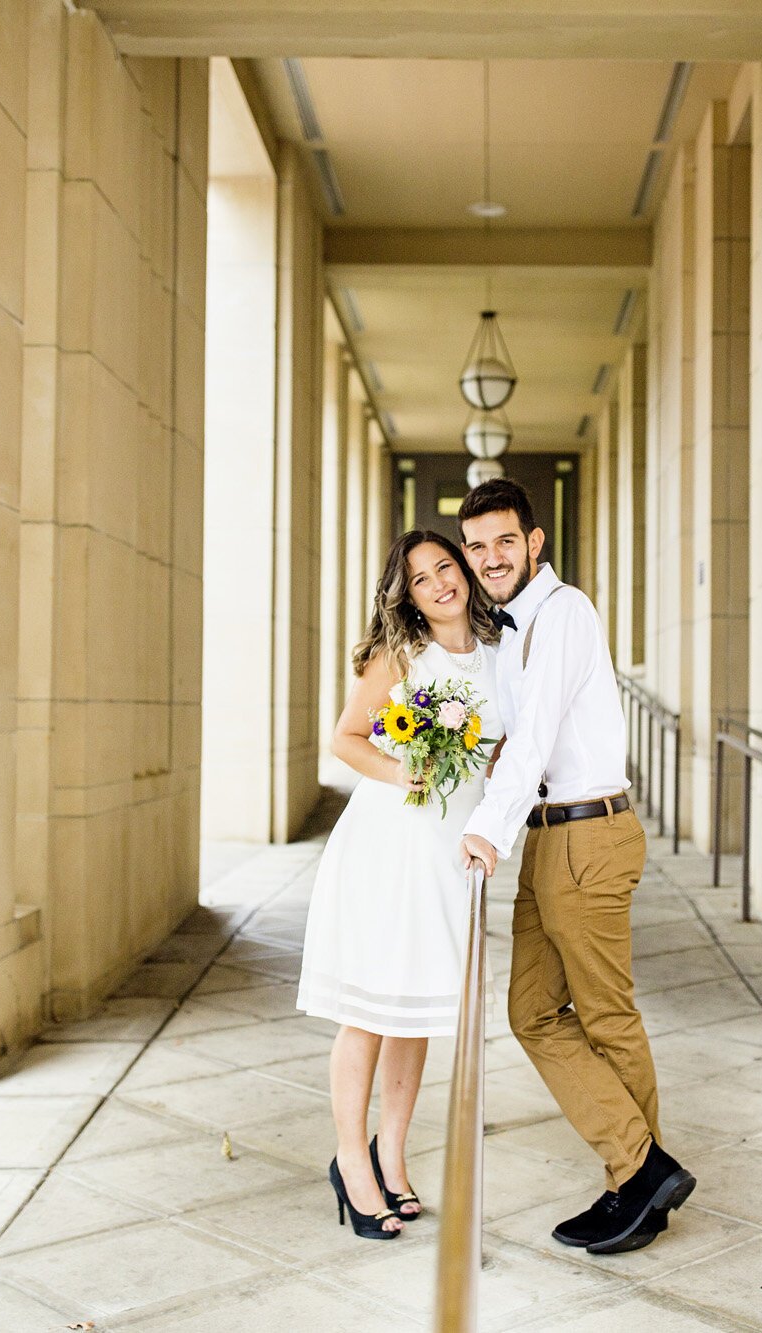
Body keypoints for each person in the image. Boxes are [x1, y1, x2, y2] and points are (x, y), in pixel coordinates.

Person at [457, 478, 696, 1256]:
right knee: (531, 1011)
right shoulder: (516, 628)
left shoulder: (564, 613)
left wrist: (486, 829)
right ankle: (645, 1168)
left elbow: (533, 740)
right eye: (477, 544)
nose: (490, 557)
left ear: (535, 542)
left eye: (503, 541)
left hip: (587, 836)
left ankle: (636, 1182)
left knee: (605, 1017)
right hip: (550, 836)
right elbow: (506, 733)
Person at [297, 529, 508, 1240]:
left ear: (465, 570)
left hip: (448, 858)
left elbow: (506, 754)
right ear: (408, 594)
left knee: (415, 1008)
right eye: (421, 578)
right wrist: (402, 770)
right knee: (369, 1006)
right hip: (387, 847)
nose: (440, 583)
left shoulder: (501, 655)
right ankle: (351, 1160)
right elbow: (346, 737)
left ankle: (393, 1151)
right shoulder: (402, 654)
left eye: (445, 566)